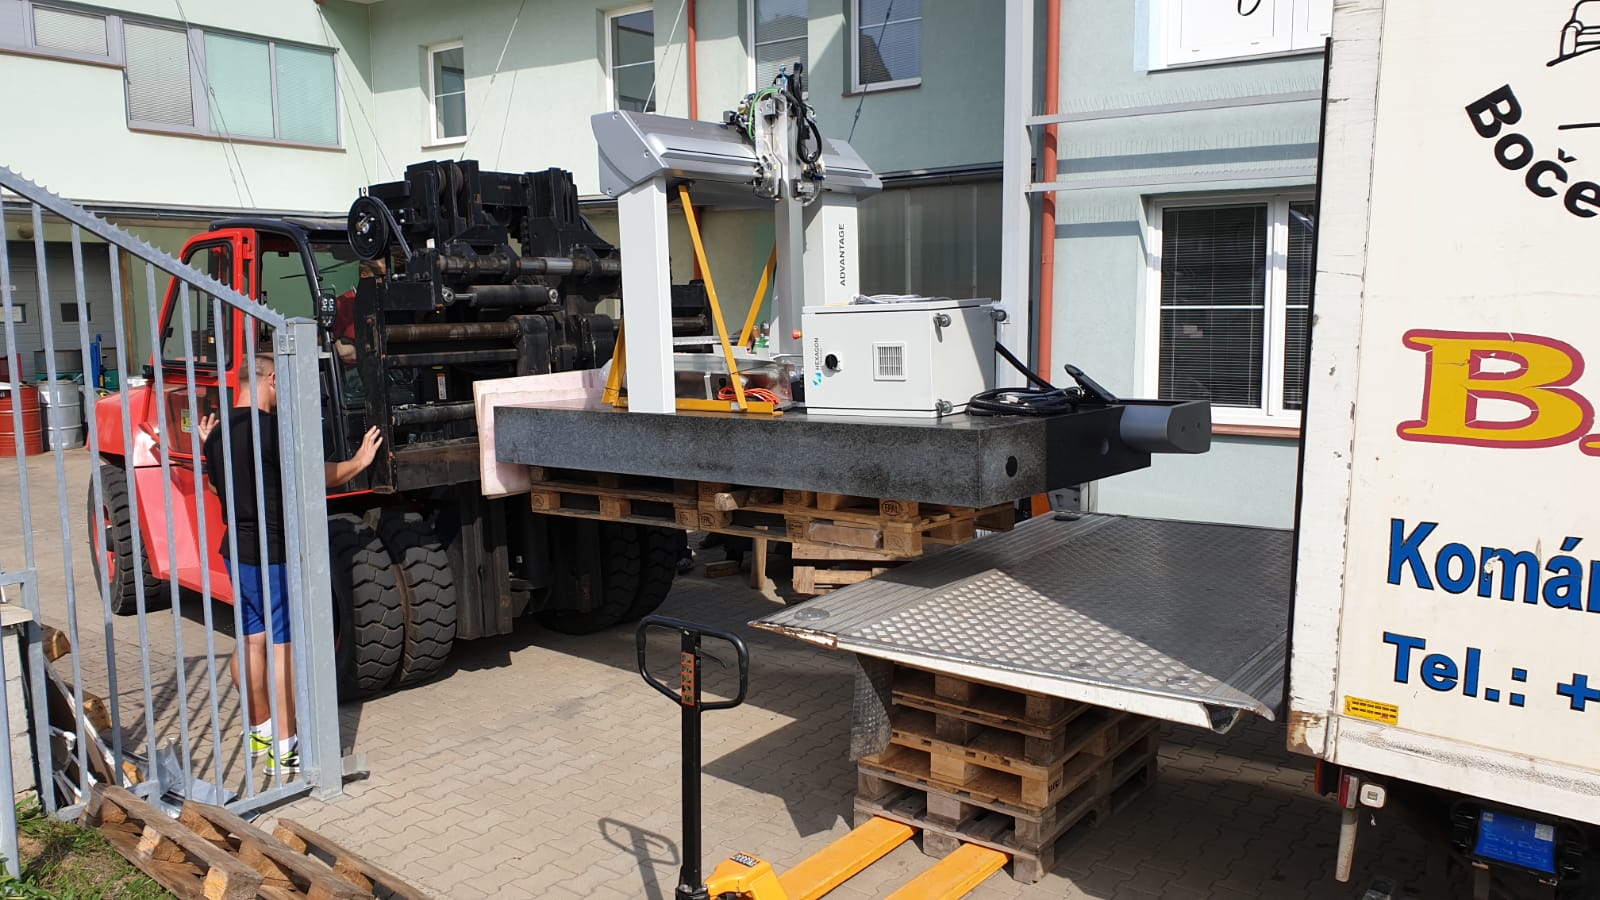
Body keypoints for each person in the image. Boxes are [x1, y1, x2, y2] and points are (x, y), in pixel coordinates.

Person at [199, 354, 382, 775]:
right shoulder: (272, 431)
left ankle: (261, 730)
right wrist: (358, 461)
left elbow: (216, 487)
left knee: (252, 642)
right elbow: (315, 475)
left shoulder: (217, 433)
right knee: (284, 647)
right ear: (271, 381)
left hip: (237, 551)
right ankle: (286, 747)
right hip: (273, 554)